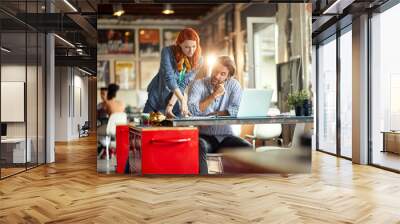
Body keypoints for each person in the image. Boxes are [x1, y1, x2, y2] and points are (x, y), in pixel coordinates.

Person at [188, 56, 252, 174]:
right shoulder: (198, 84)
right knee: (199, 145)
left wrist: (219, 113)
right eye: (216, 71)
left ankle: (244, 185)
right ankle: (204, 182)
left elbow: (238, 109)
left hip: (226, 136)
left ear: (228, 76)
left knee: (247, 148)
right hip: (205, 136)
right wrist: (213, 96)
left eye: (222, 74)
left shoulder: (234, 85)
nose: (217, 76)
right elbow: (192, 110)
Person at [143, 28, 203, 118]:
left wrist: (170, 105)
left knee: (173, 128)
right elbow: (169, 78)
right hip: (156, 95)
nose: (191, 51)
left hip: (174, 99)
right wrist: (183, 100)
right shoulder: (167, 52)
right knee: (146, 124)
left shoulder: (199, 60)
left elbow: (182, 84)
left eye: (194, 46)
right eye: (187, 47)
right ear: (179, 44)